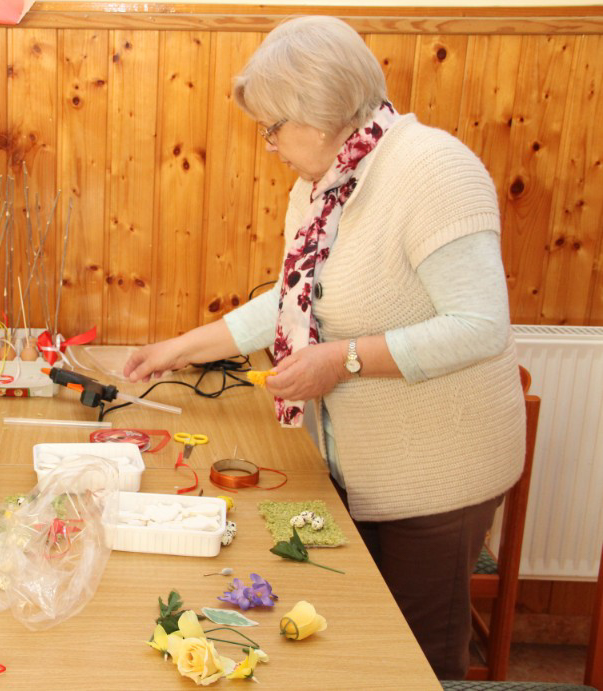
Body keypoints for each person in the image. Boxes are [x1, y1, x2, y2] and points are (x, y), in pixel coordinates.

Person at [123, 16, 525, 680]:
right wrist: (180, 347)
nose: (269, 145)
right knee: (357, 646)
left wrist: (341, 359)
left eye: (272, 128)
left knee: (417, 659)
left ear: (318, 114)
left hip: (438, 472)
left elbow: (479, 325)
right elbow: (294, 297)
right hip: (359, 464)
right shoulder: (324, 184)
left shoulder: (434, 170)